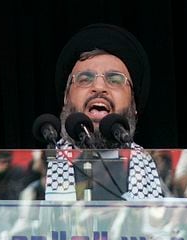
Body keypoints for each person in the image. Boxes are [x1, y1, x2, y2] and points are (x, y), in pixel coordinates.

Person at [45, 23, 163, 201]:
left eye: (115, 79)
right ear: (65, 99)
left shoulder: (161, 176)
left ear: (134, 104)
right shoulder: (38, 173)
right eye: (85, 79)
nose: (99, 87)